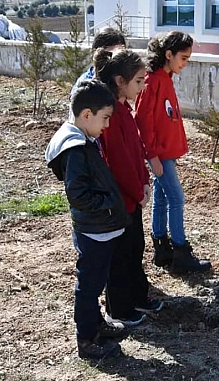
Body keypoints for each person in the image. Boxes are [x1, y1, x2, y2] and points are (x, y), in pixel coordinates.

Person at [45, 80, 131, 359]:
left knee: (96, 280)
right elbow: (78, 195)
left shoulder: (84, 140)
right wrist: (109, 205)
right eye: (104, 118)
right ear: (86, 115)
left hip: (99, 229)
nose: (106, 125)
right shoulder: (76, 149)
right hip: (94, 229)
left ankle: (96, 324)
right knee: (89, 286)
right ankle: (86, 339)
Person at [93, 48, 163, 327]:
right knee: (121, 255)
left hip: (133, 197)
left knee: (135, 248)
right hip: (121, 199)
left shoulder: (125, 110)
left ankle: (137, 296)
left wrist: (144, 183)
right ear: (120, 81)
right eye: (138, 81)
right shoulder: (112, 115)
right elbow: (120, 161)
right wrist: (138, 190)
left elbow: (136, 153)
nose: (143, 86)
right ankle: (118, 308)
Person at [135, 31, 212, 274]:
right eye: (183, 58)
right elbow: (143, 121)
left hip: (166, 152)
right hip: (160, 154)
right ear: (168, 54)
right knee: (177, 199)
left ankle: (162, 248)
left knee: (162, 196)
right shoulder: (153, 81)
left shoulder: (165, 78)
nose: (186, 63)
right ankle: (180, 250)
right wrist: (153, 155)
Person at [70, 27, 127, 101]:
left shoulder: (120, 80)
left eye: (122, 54)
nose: (117, 60)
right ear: (96, 53)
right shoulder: (86, 85)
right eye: (110, 55)